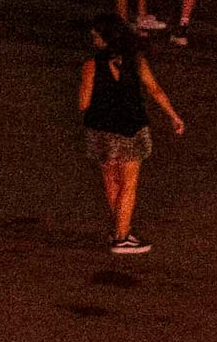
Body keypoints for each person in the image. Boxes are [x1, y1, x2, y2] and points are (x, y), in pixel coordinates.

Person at [77, 16, 186, 255]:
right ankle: (122, 236)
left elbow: (84, 104)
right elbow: (154, 89)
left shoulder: (91, 65)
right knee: (129, 184)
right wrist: (173, 116)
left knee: (110, 180)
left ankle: (119, 229)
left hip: (100, 129)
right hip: (130, 126)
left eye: (96, 36)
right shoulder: (136, 61)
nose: (94, 40)